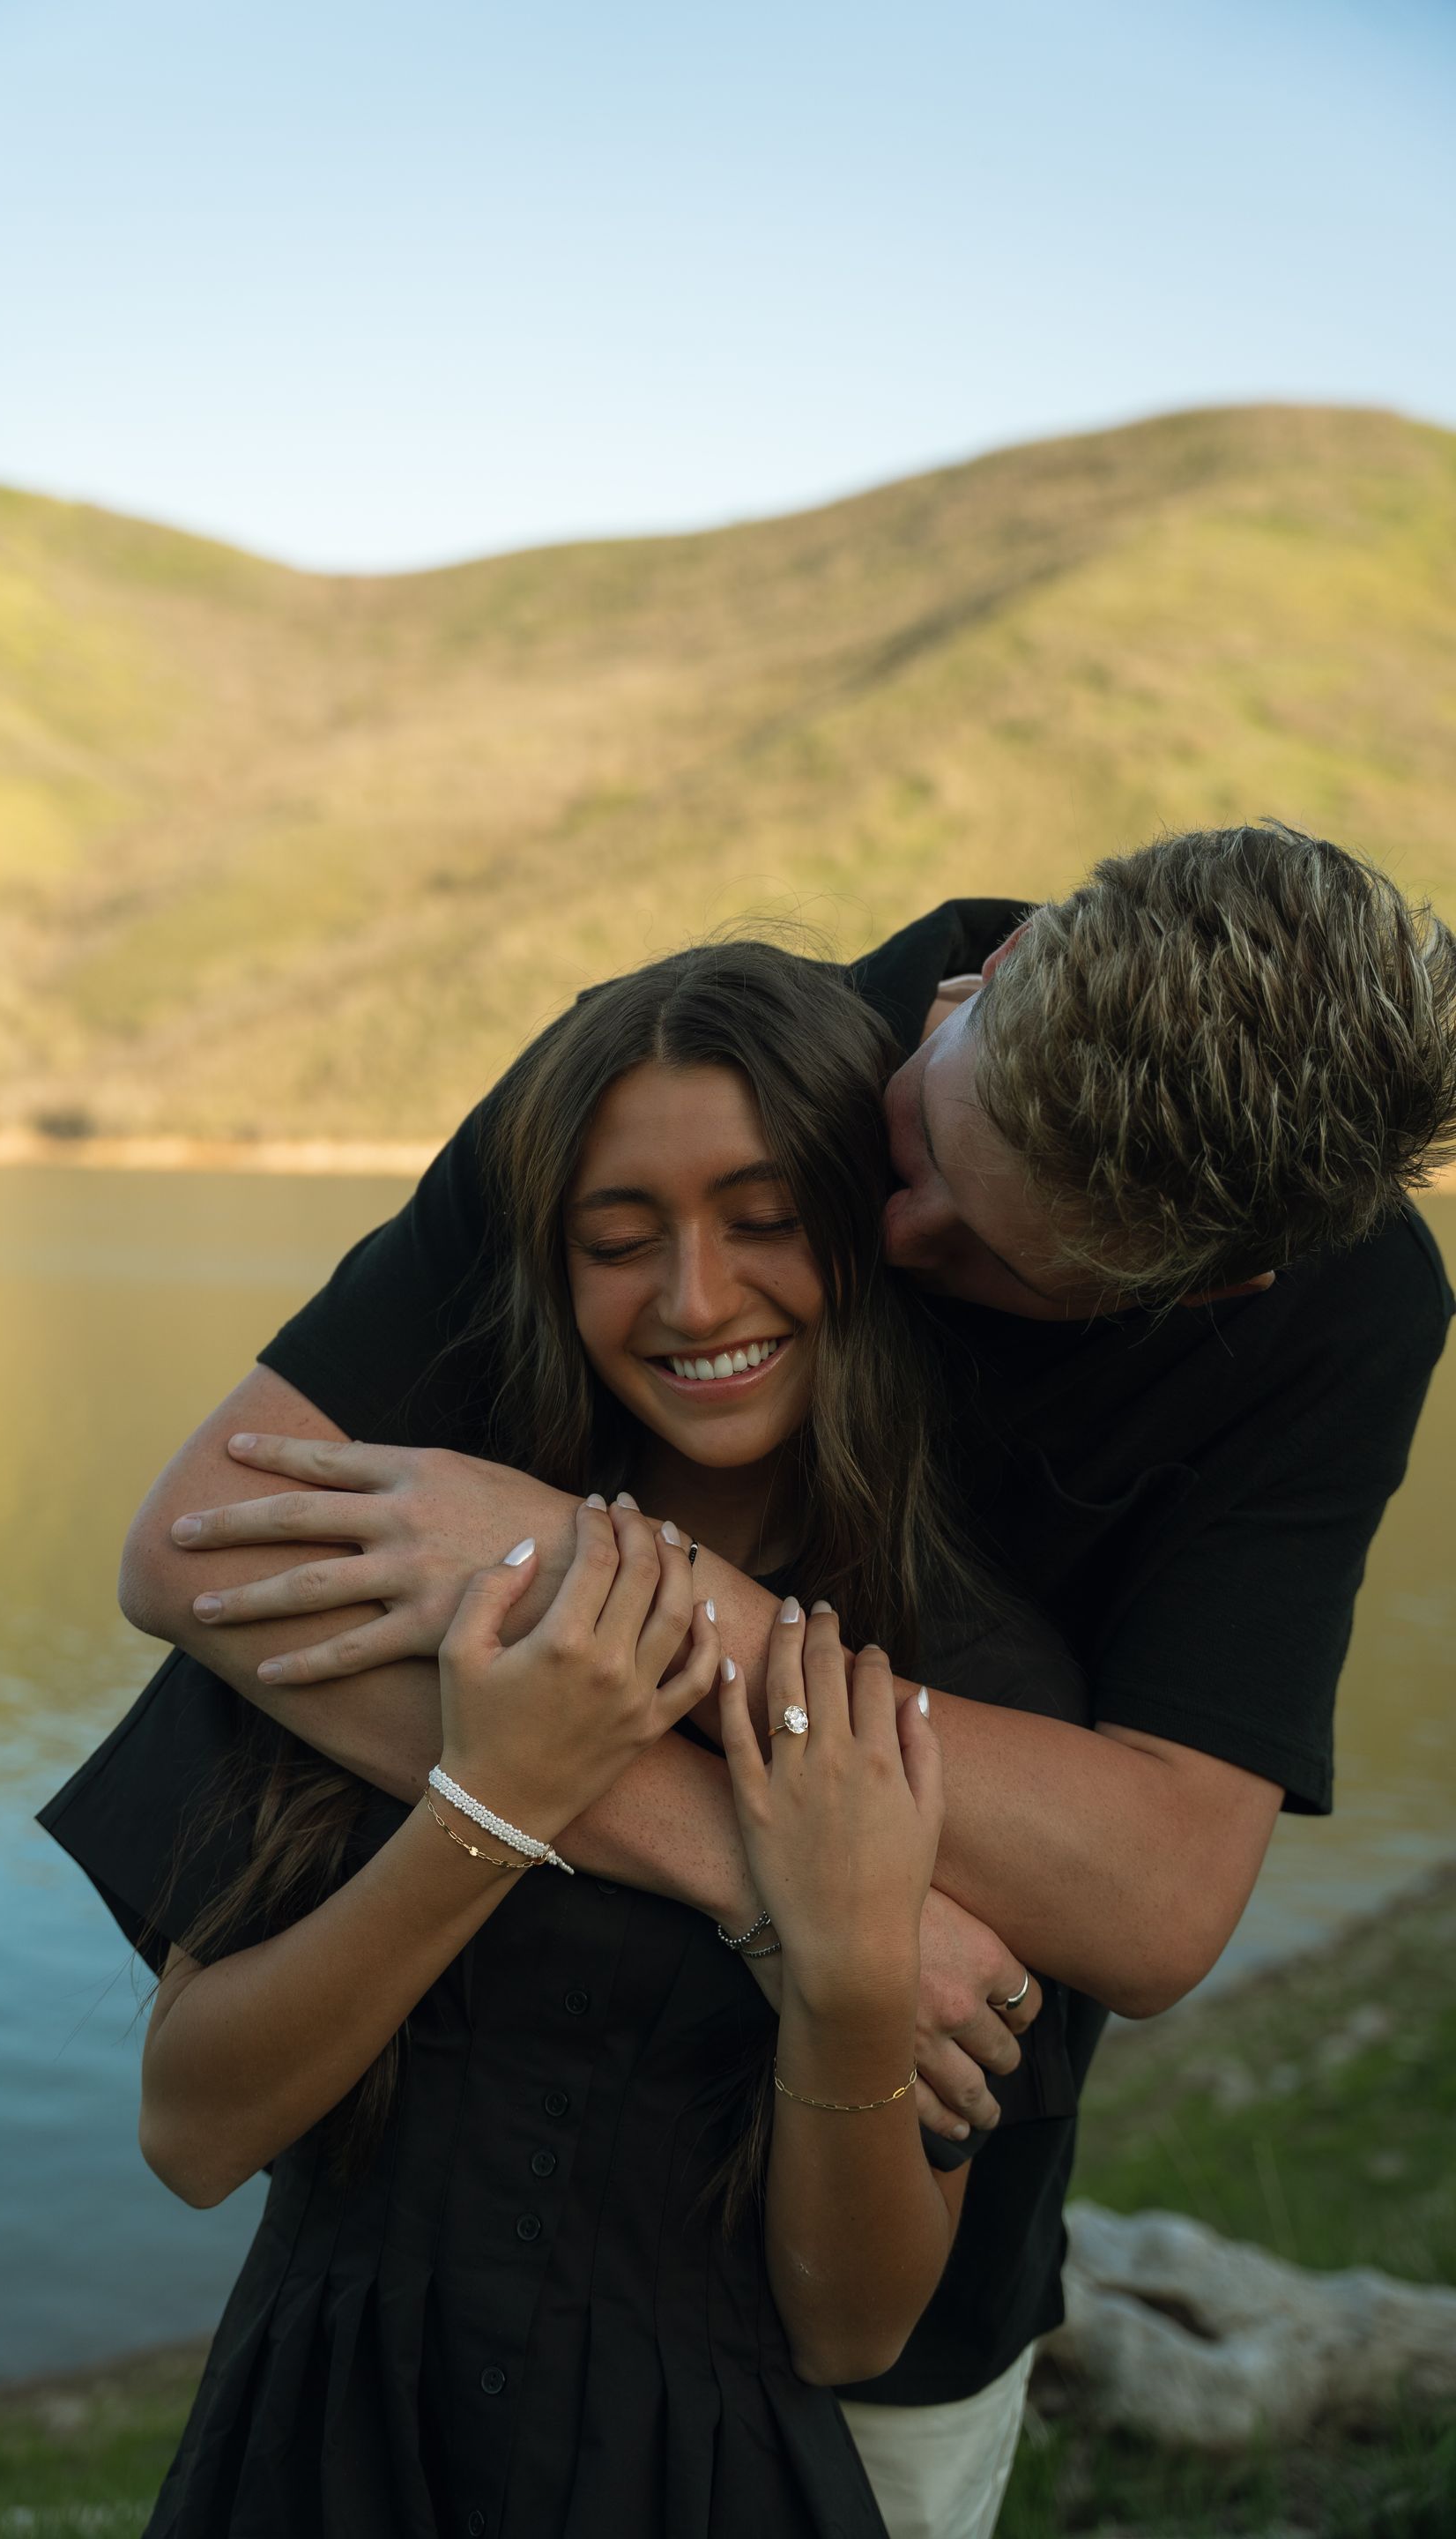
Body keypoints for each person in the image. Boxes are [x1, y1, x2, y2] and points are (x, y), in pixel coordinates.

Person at [91, 823, 1453, 2538]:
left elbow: (1161, 1899)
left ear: (1223, 1287)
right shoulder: (685, 1070)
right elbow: (206, 1545)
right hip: (396, 2295)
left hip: (870, 2302)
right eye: (917, 1145)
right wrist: (782, 1880)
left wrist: (622, 1589)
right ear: (1003, 969)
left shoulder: (1338, 1310)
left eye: (988, 1257)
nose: (897, 1223)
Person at [44, 944, 1085, 2537]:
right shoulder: (392, 1557)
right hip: (314, 2452)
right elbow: (192, 2131)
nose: (693, 1298)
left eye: (762, 1222)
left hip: (707, 2483)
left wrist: (850, 1964)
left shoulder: (966, 1687)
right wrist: (495, 1798)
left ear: (863, 1240)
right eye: (619, 1241)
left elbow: (852, 2325)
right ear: (548, 1262)